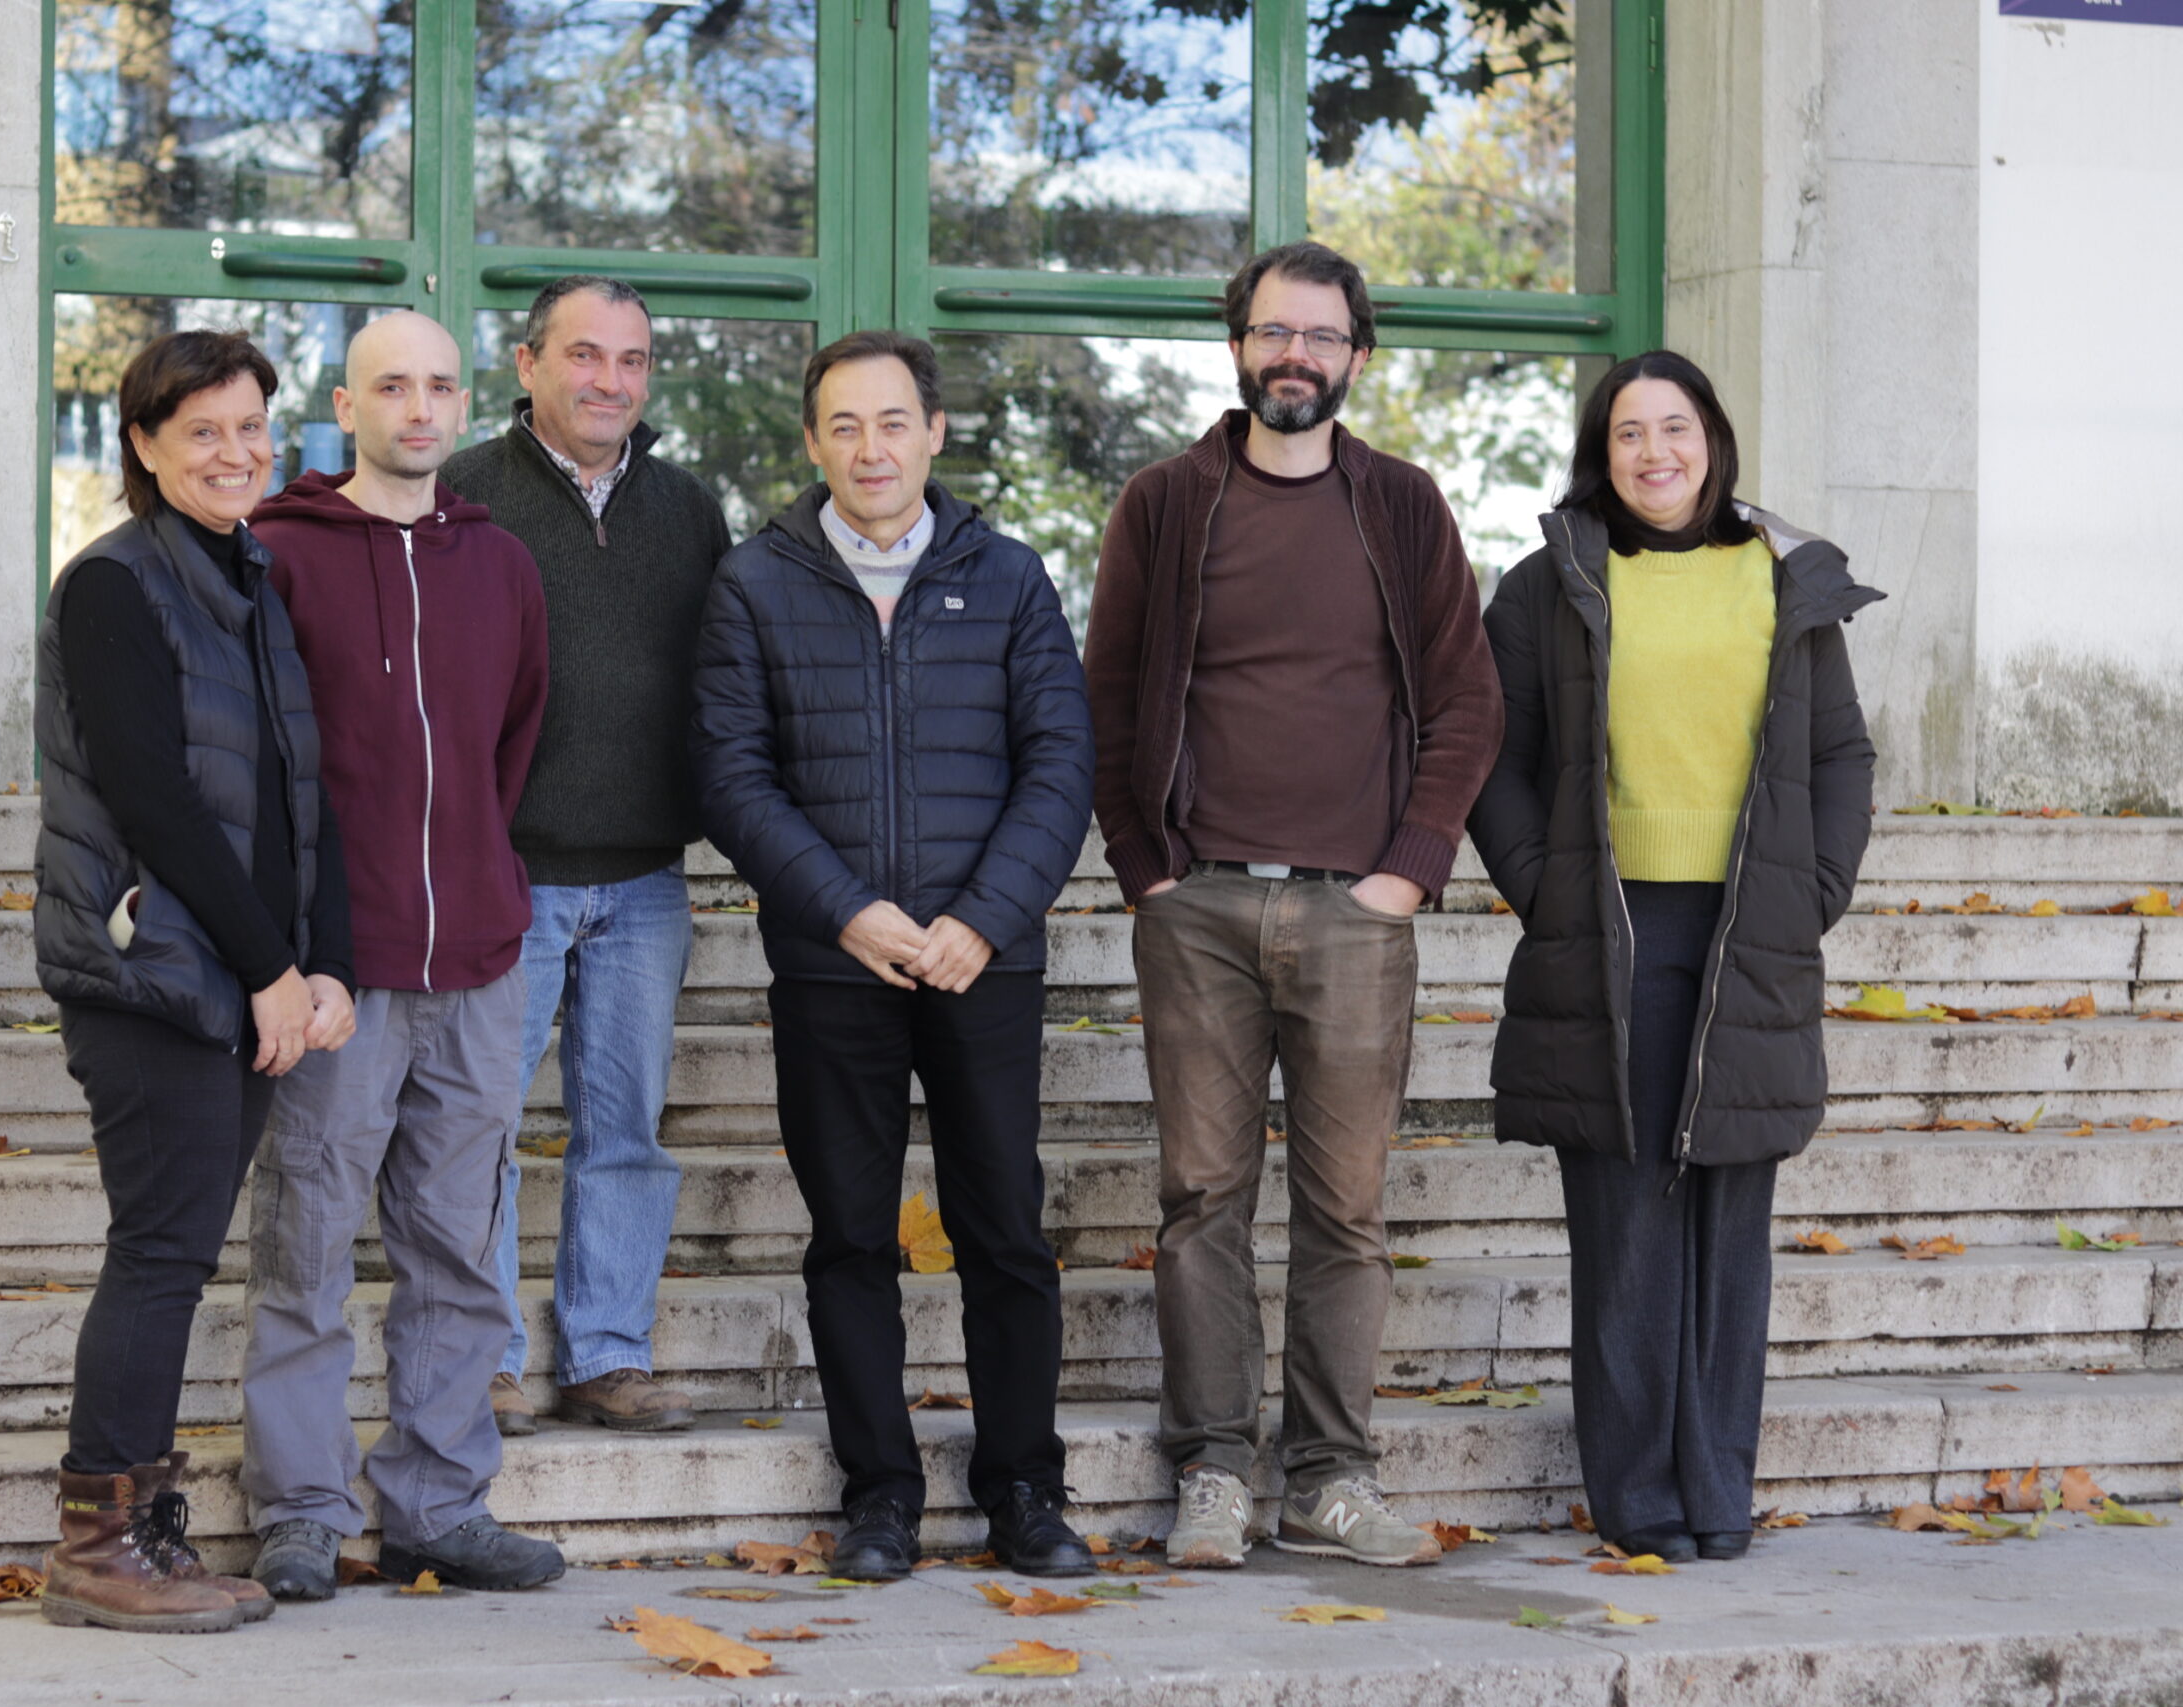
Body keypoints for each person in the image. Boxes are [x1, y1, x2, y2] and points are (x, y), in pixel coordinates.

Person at [1085, 241, 1503, 1570]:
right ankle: (1213, 1465)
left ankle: (1329, 1475)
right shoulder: (1164, 501)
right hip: (1198, 902)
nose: (1296, 356)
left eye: (1322, 337)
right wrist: (1147, 867)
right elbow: (1104, 698)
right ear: (1238, 347)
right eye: (1275, 332)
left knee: (1347, 1210)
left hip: (1355, 912)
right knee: (1203, 1198)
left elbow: (1467, 699)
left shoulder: (1403, 504)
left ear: (1357, 358)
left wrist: (1406, 869)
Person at [690, 331, 1096, 1580]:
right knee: (851, 1237)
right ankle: (879, 1496)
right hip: (833, 968)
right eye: (844, 426)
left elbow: (1061, 763)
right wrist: (844, 912)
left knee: (1005, 1236)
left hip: (985, 961)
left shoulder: (1011, 576)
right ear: (813, 443)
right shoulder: (753, 582)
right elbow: (730, 776)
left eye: (892, 422)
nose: (871, 447)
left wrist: (986, 917)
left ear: (934, 433)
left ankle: (1025, 1488)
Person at [1468, 349, 1878, 1564]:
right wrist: (1543, 887)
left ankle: (1715, 1492)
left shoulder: (1784, 581)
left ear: (1713, 441)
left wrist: (1811, 893)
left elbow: (1842, 754)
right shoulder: (1550, 585)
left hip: (1747, 927)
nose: (1654, 453)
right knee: (1625, 1223)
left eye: (1675, 429)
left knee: (1729, 1226)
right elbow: (1497, 755)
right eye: (1628, 435)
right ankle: (1639, 1497)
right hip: (1608, 927)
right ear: (1602, 456)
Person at [31, 328, 356, 1634]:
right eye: (203, 430)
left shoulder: (254, 578)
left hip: (244, 979)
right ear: (147, 447)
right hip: (153, 974)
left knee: (176, 1250)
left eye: (249, 425)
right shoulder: (111, 585)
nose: (234, 451)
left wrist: (322, 960)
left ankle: (146, 1530)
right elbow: (156, 801)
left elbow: (301, 794)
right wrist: (273, 966)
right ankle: (99, 1543)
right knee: (160, 1251)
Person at [237, 310, 562, 1597]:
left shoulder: (504, 565)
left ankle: (435, 1503)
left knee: (461, 1251)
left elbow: (511, 743)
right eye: (390, 387)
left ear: (462, 401)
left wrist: (475, 876)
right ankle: (302, 1508)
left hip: (480, 963)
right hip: (341, 971)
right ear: (345, 402)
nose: (418, 409)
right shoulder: (278, 553)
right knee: (307, 1242)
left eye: (438, 387)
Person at [438, 278, 731, 1437]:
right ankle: (490, 1357)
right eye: (585, 356)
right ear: (526, 364)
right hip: (507, 873)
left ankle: (608, 1353)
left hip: (647, 879)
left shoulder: (687, 508)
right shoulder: (461, 494)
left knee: (627, 1131)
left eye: (633, 360)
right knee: (481, 1127)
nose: (610, 380)